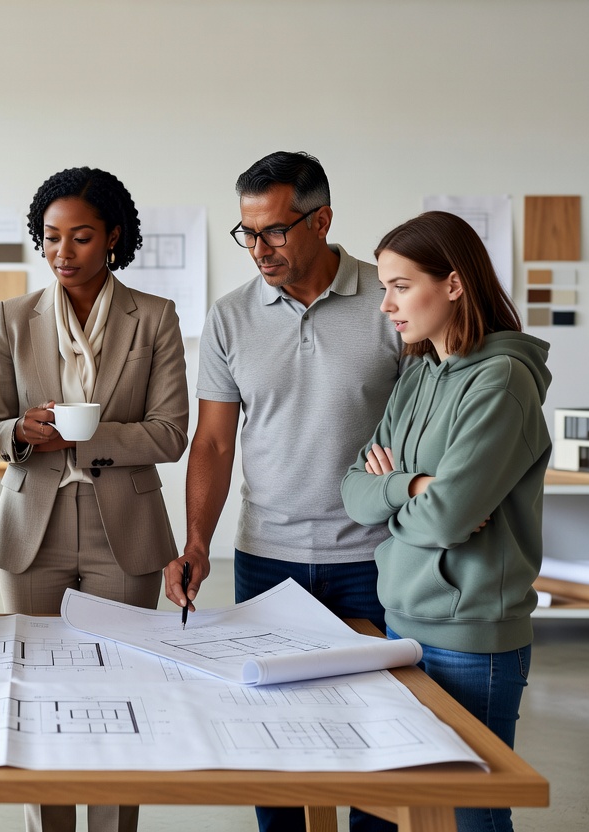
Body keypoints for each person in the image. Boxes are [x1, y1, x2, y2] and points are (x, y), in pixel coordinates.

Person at [161, 151, 401, 832]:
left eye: (275, 231)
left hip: (376, 557)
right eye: (248, 232)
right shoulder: (232, 317)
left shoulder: (388, 299)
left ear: (322, 220)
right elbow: (212, 442)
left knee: (375, 732)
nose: (259, 249)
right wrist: (199, 543)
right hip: (268, 556)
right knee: (274, 737)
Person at [0, 166, 188, 832]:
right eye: (51, 237)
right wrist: (19, 432)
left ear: (114, 238)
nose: (63, 253)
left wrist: (85, 439)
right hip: (28, 533)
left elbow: (172, 431)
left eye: (82, 237)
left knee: (120, 697)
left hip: (122, 529)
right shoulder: (15, 317)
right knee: (37, 698)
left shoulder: (154, 317)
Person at [342, 211, 550, 832]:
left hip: (472, 638)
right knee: (419, 817)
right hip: (401, 629)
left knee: (470, 822)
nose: (386, 305)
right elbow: (353, 492)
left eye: (401, 286)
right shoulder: (417, 374)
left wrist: (414, 501)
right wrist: (411, 485)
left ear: (453, 285)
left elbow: (446, 520)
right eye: (384, 287)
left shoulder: (503, 381)